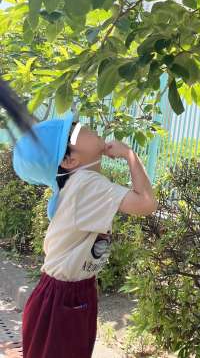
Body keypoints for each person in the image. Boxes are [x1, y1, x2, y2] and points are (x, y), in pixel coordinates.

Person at [12, 111, 158, 358]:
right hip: (62, 298)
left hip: (68, 292)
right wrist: (129, 155)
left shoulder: (82, 181)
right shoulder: (87, 183)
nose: (87, 128)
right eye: (77, 130)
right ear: (69, 161)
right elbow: (146, 203)